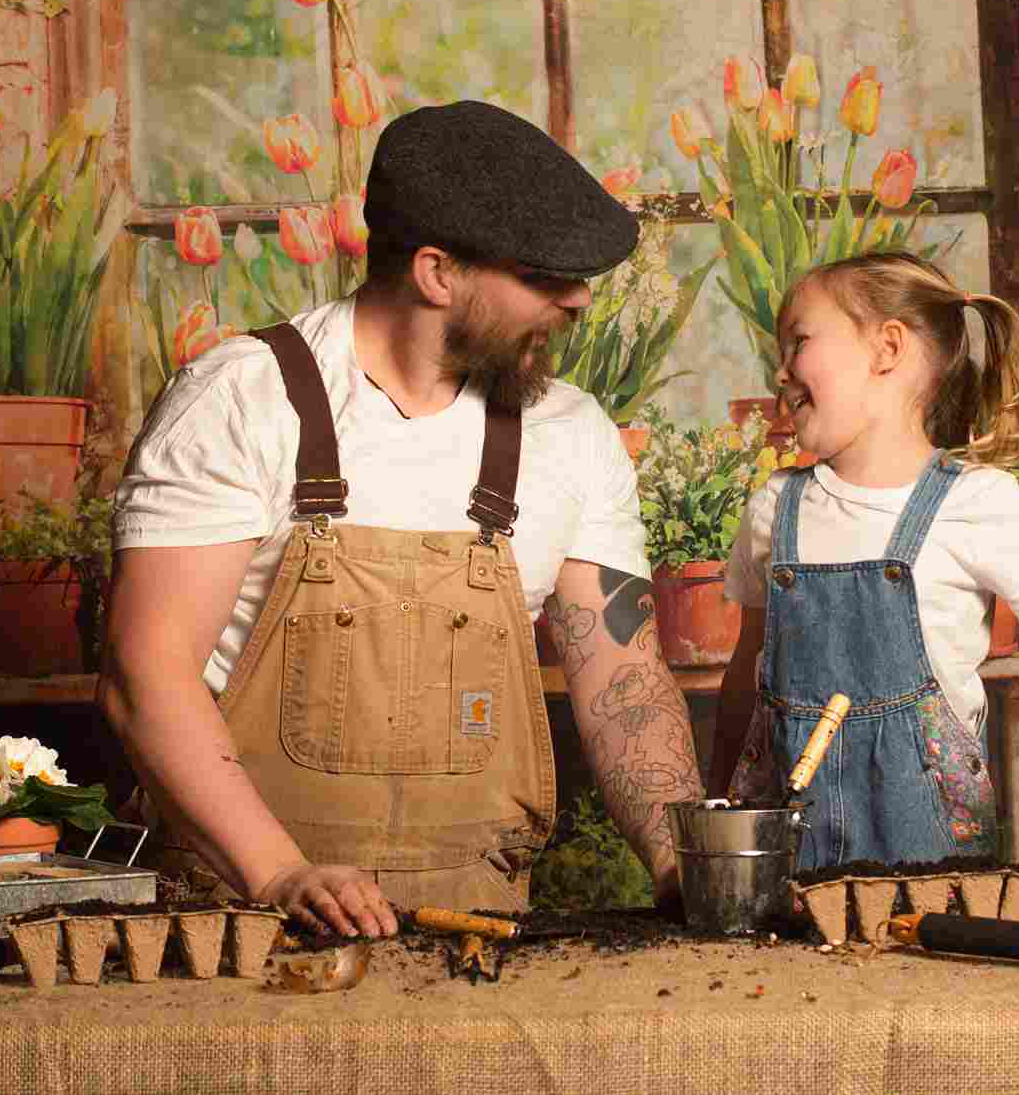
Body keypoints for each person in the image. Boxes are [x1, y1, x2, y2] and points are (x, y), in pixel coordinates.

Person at [100, 100, 703, 936]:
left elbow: (622, 681)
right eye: (542, 276)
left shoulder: (568, 432)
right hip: (243, 932)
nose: (578, 301)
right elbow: (145, 678)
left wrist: (683, 860)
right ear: (435, 272)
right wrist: (278, 872)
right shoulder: (244, 400)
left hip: (477, 938)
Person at [706, 252, 1019, 869]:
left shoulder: (978, 504)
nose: (781, 372)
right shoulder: (774, 509)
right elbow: (744, 679)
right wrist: (712, 819)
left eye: (799, 343)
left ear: (887, 347)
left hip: (934, 878)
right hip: (787, 869)